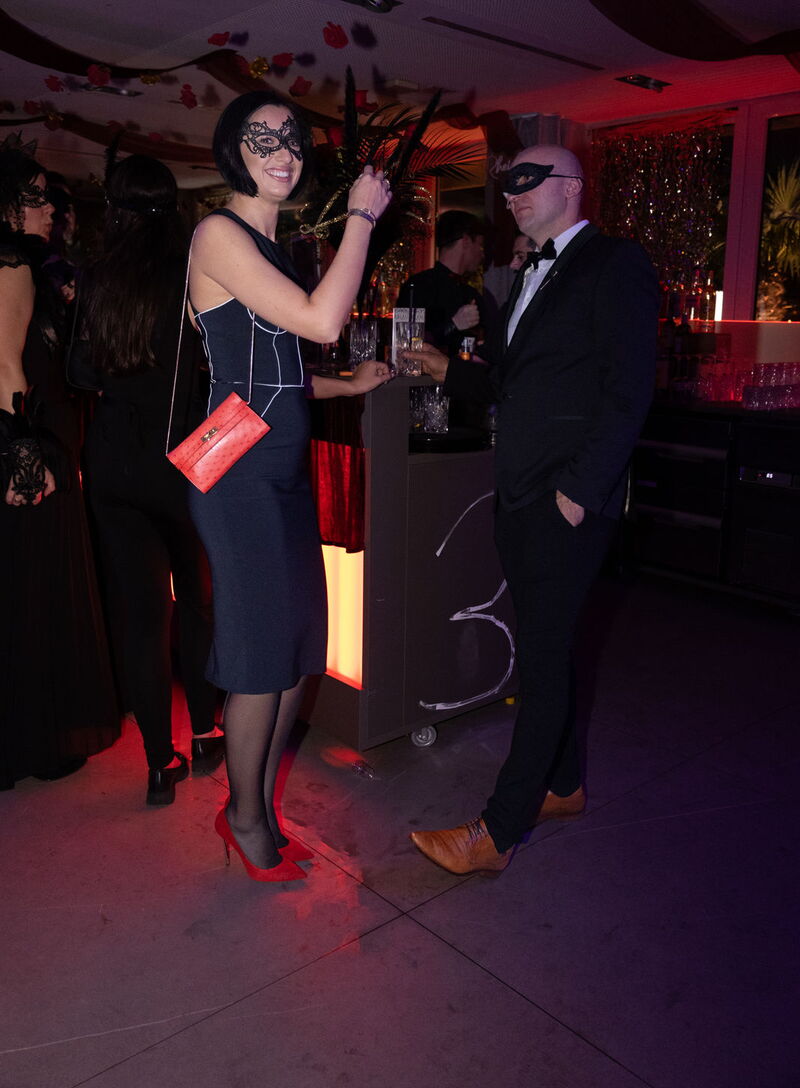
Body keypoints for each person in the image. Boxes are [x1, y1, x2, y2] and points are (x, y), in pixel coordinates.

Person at [407, 144, 659, 874]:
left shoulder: (616, 264)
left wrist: (578, 494)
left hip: (566, 500)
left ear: (571, 187)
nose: (512, 194)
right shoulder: (523, 275)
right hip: (519, 493)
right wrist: (446, 369)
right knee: (550, 644)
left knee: (542, 661)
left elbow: (629, 392)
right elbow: (512, 385)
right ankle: (566, 784)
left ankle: (498, 829)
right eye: (507, 183)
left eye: (527, 181)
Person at [188, 89, 391, 881]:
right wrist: (362, 218)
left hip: (279, 469)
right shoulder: (218, 233)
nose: (283, 152)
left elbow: (276, 371)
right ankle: (243, 818)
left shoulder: (275, 250)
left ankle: (258, 808)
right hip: (237, 475)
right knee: (260, 659)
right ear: (231, 149)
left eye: (292, 139)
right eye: (262, 137)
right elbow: (320, 323)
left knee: (298, 650)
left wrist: (347, 386)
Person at [71, 154, 223, 807]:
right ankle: (207, 733)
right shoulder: (192, 272)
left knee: (141, 618)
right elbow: (224, 364)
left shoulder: (99, 276)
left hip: (112, 462)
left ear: (116, 209)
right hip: (182, 458)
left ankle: (160, 763)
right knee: (197, 600)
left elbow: (79, 373)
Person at [0, 141, 120, 788]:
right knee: (32, 588)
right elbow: (4, 365)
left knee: (23, 588)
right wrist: (26, 458)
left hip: (31, 436)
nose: (51, 208)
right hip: (28, 442)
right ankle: (33, 739)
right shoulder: (12, 259)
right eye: (38, 198)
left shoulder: (23, 262)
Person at [396, 210, 487, 356]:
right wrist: (454, 324)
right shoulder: (418, 286)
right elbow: (405, 341)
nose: (482, 254)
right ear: (466, 241)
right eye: (480, 245)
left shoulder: (471, 294)